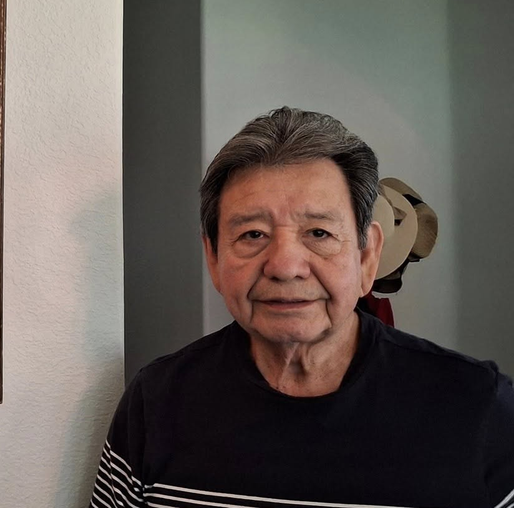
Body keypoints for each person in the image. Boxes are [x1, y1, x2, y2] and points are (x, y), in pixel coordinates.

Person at [91, 107, 514, 507]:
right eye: (253, 234)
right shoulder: (155, 402)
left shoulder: (481, 408)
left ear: (367, 257)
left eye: (319, 233)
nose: (285, 266)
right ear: (214, 258)